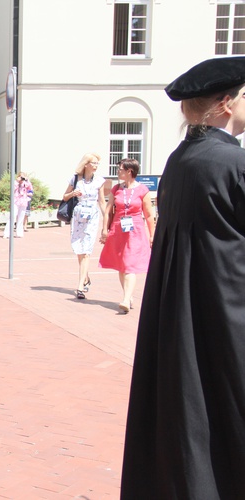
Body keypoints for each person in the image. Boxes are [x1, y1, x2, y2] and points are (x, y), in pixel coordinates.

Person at [120, 57, 245, 498]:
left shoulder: (180, 159)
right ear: (226, 103)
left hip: (185, 310)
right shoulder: (232, 161)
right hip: (229, 310)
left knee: (190, 411)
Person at [98, 158, 155, 313]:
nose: (118, 172)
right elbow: (108, 210)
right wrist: (104, 230)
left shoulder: (143, 190)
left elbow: (149, 215)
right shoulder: (116, 188)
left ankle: (125, 299)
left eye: (120, 169)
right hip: (118, 230)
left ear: (129, 171)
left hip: (135, 231)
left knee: (129, 264)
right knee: (122, 265)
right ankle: (128, 296)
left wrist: (152, 235)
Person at [62, 153, 106, 300]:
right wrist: (73, 193)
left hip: (92, 216)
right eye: (93, 163)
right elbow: (64, 196)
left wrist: (106, 220)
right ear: (86, 164)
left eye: (97, 163)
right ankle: (86, 276)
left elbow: (101, 201)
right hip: (78, 215)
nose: (96, 166)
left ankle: (80, 286)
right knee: (79, 249)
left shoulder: (99, 181)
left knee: (86, 250)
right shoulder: (75, 179)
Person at [3, 172, 33, 239]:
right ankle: (7, 233)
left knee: (21, 218)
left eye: (23, 177)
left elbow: (30, 189)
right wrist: (17, 181)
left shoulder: (26, 183)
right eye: (21, 177)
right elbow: (12, 189)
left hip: (23, 201)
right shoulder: (15, 182)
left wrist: (27, 180)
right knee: (12, 217)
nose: (22, 179)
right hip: (15, 201)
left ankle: (19, 233)